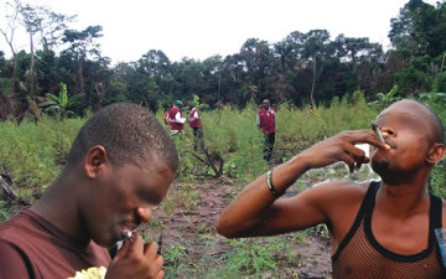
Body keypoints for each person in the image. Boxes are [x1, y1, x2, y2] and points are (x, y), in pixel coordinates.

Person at [217, 99, 446, 278]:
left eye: (405, 125)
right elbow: (231, 224)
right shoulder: (340, 201)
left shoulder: (443, 224)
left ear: (435, 153)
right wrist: (302, 160)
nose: (384, 132)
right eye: (381, 125)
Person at [0, 103, 179, 278]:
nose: (146, 215)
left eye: (152, 204)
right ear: (96, 163)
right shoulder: (11, 253)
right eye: (142, 195)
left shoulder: (97, 250)